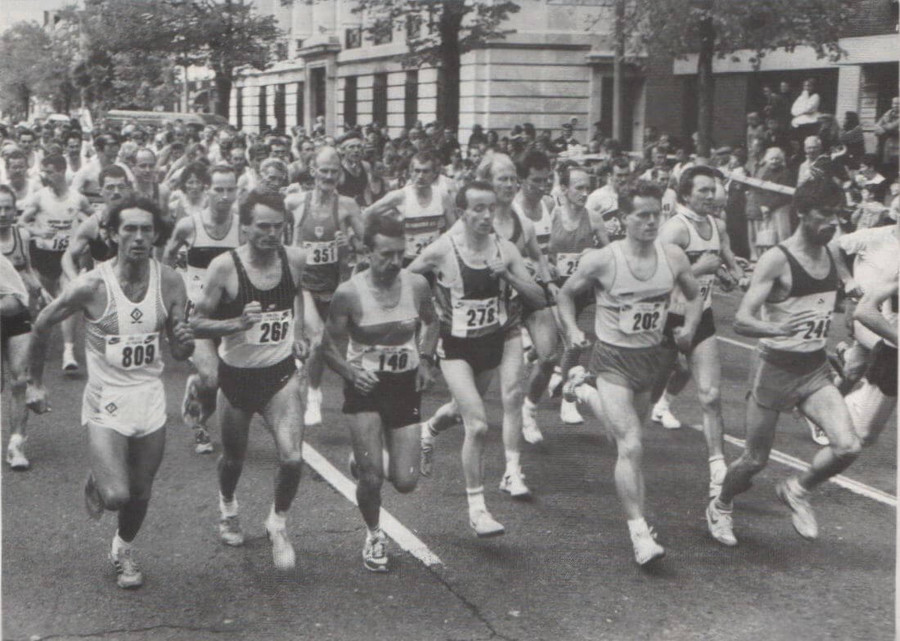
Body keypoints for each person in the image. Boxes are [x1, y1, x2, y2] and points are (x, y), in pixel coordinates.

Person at [26, 195, 195, 589]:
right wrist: (34, 382)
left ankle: (122, 549)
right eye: (129, 229)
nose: (138, 238)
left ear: (156, 235)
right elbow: (41, 323)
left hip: (149, 396)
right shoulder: (91, 285)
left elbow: (179, 349)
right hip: (106, 397)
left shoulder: (169, 280)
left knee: (140, 493)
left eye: (146, 230)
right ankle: (102, 476)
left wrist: (184, 340)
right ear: (112, 234)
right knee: (117, 494)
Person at [706, 177, 863, 548]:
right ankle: (722, 504)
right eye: (825, 215)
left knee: (848, 446)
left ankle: (796, 489)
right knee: (754, 461)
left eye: (838, 215)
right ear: (801, 212)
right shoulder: (777, 259)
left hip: (813, 369)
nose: (832, 223)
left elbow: (836, 298)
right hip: (773, 369)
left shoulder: (832, 251)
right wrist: (775, 326)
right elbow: (742, 320)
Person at [557, 179, 702, 565]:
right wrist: (572, 329)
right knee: (631, 443)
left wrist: (689, 325)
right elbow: (566, 294)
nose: (652, 222)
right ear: (623, 219)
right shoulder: (603, 259)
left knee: (627, 444)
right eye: (643, 215)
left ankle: (582, 391)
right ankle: (639, 533)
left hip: (650, 360)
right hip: (612, 360)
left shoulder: (672, 256)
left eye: (657, 214)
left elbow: (694, 294)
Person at [409, 180, 545, 536]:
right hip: (455, 348)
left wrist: (508, 276)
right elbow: (405, 279)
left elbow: (537, 297)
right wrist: (427, 312)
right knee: (479, 424)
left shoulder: (505, 250)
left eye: (491, 209)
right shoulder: (442, 250)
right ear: (462, 212)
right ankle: (477, 509)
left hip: (494, 341)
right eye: (478, 209)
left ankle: (429, 428)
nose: (487, 216)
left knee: (458, 411)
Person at [191, 189, 309, 571]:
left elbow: (297, 297)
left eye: (278, 226)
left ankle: (278, 523)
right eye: (263, 226)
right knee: (234, 460)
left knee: (292, 459)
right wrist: (235, 323)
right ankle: (228, 507)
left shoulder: (294, 259)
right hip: (237, 378)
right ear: (244, 227)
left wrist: (301, 332)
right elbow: (194, 322)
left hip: (279, 375)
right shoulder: (224, 268)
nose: (271, 234)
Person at [321, 212, 437, 572]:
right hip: (365, 389)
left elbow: (433, 322)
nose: (393, 262)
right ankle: (373, 534)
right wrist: (351, 373)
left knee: (405, 481)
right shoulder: (349, 293)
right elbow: (326, 346)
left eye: (399, 254)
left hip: (404, 387)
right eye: (385, 254)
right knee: (372, 478)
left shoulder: (416, 285)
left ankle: (363, 455)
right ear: (367, 252)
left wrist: (427, 360)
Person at [649, 166, 744, 499]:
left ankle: (717, 466)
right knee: (646, 395)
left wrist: (724, 276)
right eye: (702, 190)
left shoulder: (716, 225)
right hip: (665, 320)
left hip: (700, 316)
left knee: (711, 394)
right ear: (686, 194)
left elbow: (716, 266)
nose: (710, 195)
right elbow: (652, 277)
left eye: (712, 189)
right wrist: (697, 269)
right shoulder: (675, 228)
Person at [164, 164, 241, 454]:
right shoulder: (189, 225)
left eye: (229, 189)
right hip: (197, 314)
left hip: (231, 313)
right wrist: (171, 294)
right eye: (218, 189)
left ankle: (201, 407)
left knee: (232, 380)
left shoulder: (241, 227)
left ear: (236, 191)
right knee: (212, 377)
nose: (224, 196)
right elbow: (167, 258)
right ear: (208, 190)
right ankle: (199, 420)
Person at [287, 146, 365, 427]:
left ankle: (304, 369)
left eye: (334, 171)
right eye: (324, 171)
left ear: (340, 174)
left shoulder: (347, 206)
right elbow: (269, 227)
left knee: (320, 346)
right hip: (303, 284)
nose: (328, 176)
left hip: (334, 284)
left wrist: (351, 244)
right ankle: (314, 397)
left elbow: (367, 242)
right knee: (318, 339)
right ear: (313, 172)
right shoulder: (295, 203)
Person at [20, 154, 94, 372]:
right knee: (40, 305)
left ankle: (68, 352)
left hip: (66, 257)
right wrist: (37, 230)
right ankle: (31, 348)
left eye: (49, 171)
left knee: (67, 301)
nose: (46, 176)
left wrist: (84, 236)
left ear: (61, 171)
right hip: (43, 256)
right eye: (44, 172)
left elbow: (95, 220)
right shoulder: (40, 197)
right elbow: (23, 221)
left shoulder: (78, 198)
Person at [553, 163, 611, 424]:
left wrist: (594, 255)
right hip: (556, 292)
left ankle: (567, 397)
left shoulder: (594, 218)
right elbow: (536, 252)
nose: (585, 193)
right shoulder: (551, 216)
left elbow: (610, 255)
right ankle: (559, 382)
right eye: (579, 188)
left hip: (584, 292)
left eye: (588, 187)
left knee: (579, 344)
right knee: (566, 344)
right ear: (564, 189)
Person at [512, 150, 562, 441]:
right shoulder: (511, 210)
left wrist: (548, 265)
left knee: (548, 357)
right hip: (507, 292)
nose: (542, 186)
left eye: (546, 180)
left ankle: (529, 410)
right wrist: (525, 263)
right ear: (521, 180)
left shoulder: (550, 204)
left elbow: (548, 247)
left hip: (536, 292)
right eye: (535, 181)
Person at [0, 188, 39, 470]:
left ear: (16, 210)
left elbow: (26, 269)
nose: (2, 214)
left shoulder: (21, 236)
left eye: (8, 208)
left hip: (17, 316)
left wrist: (38, 291)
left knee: (19, 379)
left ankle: (16, 444)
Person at [363, 150, 456, 266]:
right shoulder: (400, 196)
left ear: (434, 174)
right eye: (417, 171)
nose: (420, 176)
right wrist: (372, 243)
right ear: (410, 172)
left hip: (432, 260)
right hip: (406, 260)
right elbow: (367, 214)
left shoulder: (442, 196)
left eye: (425, 171)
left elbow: (453, 230)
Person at [61, 165, 134, 282]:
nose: (116, 192)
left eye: (121, 187)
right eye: (110, 187)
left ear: (128, 189)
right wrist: (74, 280)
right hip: (106, 286)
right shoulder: (94, 223)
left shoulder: (140, 218)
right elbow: (68, 256)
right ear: (100, 191)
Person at [337, 132, 370, 207]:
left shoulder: (366, 166)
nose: (356, 150)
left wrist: (369, 207)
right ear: (343, 151)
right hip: (342, 208)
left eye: (359, 147)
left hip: (361, 208)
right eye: (351, 147)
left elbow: (367, 190)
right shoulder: (339, 169)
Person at [873, 97, 899, 168]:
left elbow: (893, 128)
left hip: (897, 148)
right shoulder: (887, 114)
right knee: (885, 169)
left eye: (898, 104)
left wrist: (884, 129)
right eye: (894, 103)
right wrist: (881, 129)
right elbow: (877, 126)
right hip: (885, 147)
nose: (895, 105)